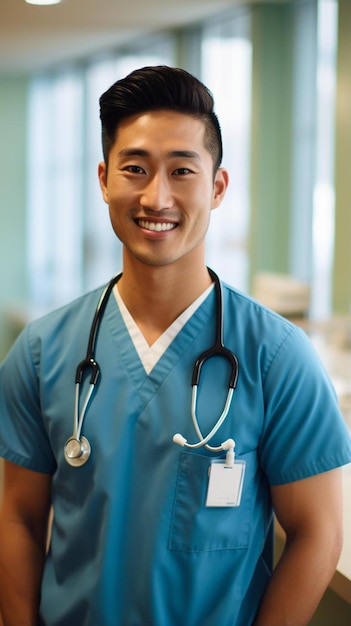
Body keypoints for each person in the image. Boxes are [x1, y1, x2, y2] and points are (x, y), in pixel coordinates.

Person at [0, 65, 350, 626]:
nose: (156, 196)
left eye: (182, 171)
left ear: (217, 187)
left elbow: (319, 532)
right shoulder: (42, 352)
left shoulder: (277, 357)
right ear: (104, 179)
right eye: (135, 168)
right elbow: (17, 517)